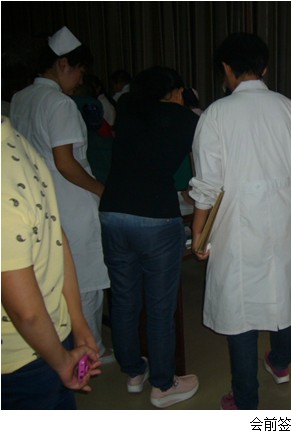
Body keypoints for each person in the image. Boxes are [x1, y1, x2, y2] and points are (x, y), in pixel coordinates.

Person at [190, 33, 291, 410]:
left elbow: (207, 184)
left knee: (240, 312)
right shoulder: (290, 110)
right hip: (284, 220)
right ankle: (281, 363)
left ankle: (246, 401)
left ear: (226, 69)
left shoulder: (216, 114)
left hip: (235, 228)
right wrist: (287, 213)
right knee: (282, 293)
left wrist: (199, 231)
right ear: (265, 68)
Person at [9, 26, 112, 364]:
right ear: (63, 64)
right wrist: (102, 190)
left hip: (37, 200)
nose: (81, 79)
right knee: (86, 282)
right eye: (80, 70)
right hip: (71, 201)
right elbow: (66, 163)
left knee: (51, 279)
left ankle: (61, 345)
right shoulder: (59, 103)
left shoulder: (21, 98)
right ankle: (91, 350)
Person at [99, 66, 199, 408]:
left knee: (124, 298)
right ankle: (163, 384)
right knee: (159, 307)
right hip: (156, 217)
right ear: (176, 92)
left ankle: (133, 372)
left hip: (112, 212)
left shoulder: (127, 108)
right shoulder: (184, 118)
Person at [2, 116, 101, 409]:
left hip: (31, 347)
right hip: (37, 344)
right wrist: (75, 328)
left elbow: (27, 313)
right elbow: (56, 237)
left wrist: (65, 350)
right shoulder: (13, 141)